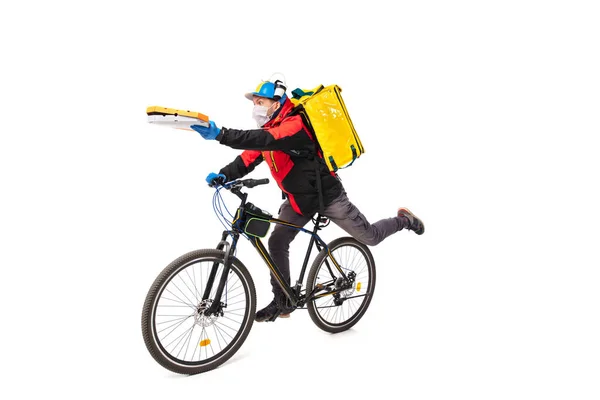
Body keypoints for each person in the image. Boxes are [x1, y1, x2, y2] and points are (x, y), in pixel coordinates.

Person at [191, 76, 425, 322]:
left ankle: (404, 220)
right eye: (254, 103)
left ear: (277, 102)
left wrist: (221, 134)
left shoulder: (294, 125)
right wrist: (223, 175)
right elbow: (248, 158)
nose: (255, 107)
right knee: (277, 241)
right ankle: (283, 301)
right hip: (298, 202)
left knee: (370, 237)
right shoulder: (271, 129)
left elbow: (265, 141)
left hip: (328, 197)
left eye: (260, 101)